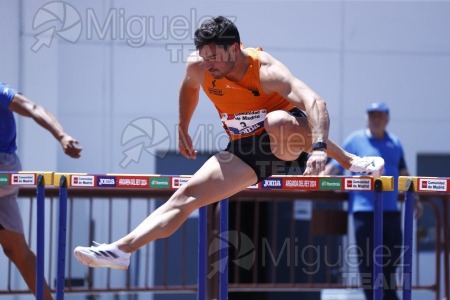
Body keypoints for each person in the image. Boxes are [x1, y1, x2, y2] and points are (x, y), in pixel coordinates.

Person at [73, 16, 384, 271]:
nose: (208, 64)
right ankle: (121, 250)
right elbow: (189, 88)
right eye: (204, 56)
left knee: (276, 121)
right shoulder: (199, 66)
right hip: (248, 151)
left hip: (290, 140)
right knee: (187, 195)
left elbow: (316, 101)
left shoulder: (265, 70)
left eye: (215, 57)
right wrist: (183, 125)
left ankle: (352, 162)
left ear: (235, 48)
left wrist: (318, 149)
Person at [322, 102, 421, 300]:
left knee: (391, 263)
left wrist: (416, 198)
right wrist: (321, 179)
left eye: (380, 115)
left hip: (391, 212)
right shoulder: (354, 140)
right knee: (369, 264)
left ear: (387, 119)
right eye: (372, 115)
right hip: (364, 212)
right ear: (367, 118)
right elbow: (334, 168)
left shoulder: (395, 142)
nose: (376, 119)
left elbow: (404, 173)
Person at [0, 82, 82, 300]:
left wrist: (61, 135)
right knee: (15, 250)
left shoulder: (0, 92)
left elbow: (34, 108)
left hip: (3, 167)